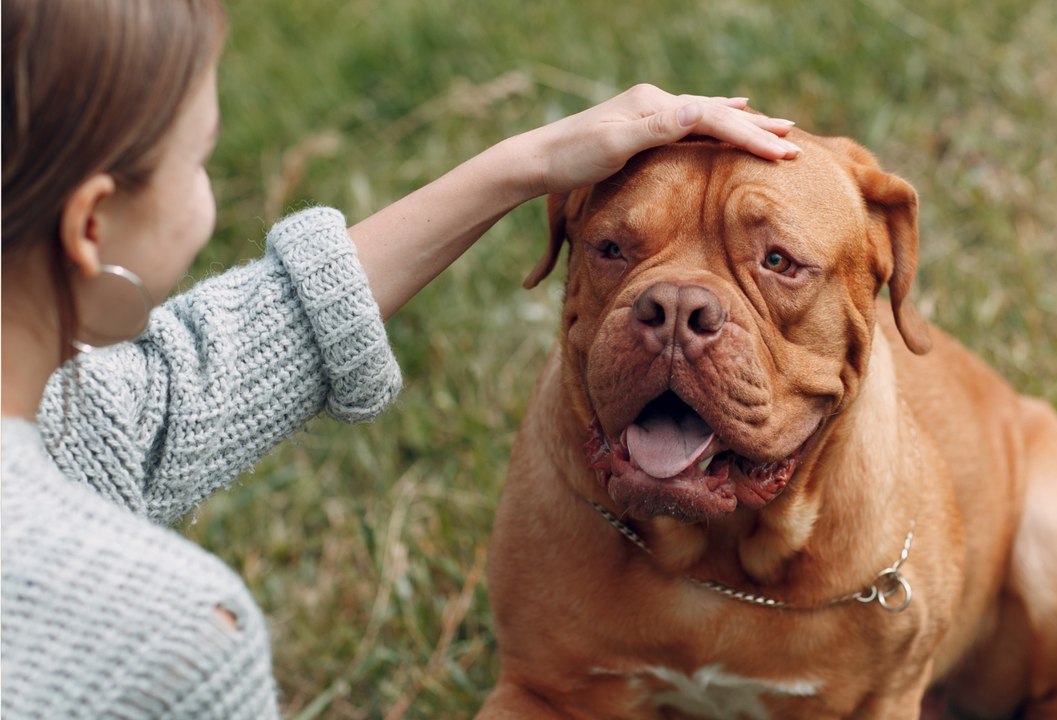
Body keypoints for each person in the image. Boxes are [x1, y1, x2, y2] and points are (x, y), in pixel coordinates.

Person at [0, 0, 800, 716]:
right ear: (92, 225)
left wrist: (525, 164)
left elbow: (173, 391)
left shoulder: (63, 425)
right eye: (201, 158)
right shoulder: (166, 639)